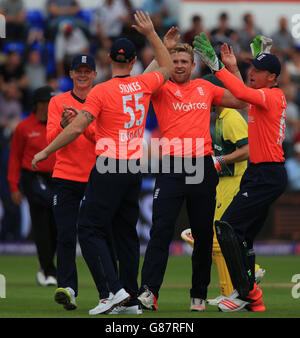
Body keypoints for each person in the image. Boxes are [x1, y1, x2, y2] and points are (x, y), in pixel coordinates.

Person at [31, 10, 173, 315]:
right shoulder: (143, 85)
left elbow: (77, 128)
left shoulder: (101, 91)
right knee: (126, 235)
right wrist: (153, 34)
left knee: (89, 228)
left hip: (109, 166)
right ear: (133, 61)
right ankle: (131, 299)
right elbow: (166, 65)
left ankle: (113, 292)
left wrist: (45, 152)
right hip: (134, 168)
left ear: (110, 60)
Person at [137, 27, 247, 312]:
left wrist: (229, 67)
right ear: (168, 63)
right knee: (160, 230)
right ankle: (149, 291)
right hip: (172, 166)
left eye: (184, 61)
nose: (179, 65)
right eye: (174, 61)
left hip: (201, 166)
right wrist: (163, 46)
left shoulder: (205, 87)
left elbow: (241, 99)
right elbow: (137, 86)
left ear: (193, 65)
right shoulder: (160, 87)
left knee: (202, 235)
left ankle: (198, 294)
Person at [193, 34, 288, 312]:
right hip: (260, 173)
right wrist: (232, 69)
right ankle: (252, 297)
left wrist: (216, 67)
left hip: (267, 174)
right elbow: (244, 92)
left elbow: (244, 94)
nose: (251, 73)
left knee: (228, 228)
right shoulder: (266, 96)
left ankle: (244, 292)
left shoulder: (271, 96)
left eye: (257, 71)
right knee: (242, 236)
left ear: (271, 77)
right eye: (251, 69)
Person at [181, 74, 265, 308]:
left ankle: (251, 273)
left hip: (234, 183)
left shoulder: (230, 118)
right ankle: (229, 289)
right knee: (216, 239)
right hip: (223, 183)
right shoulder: (219, 118)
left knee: (220, 236)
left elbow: (248, 149)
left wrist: (220, 160)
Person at [46, 54, 97, 310]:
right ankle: (68, 288)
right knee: (66, 234)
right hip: (65, 176)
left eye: (87, 71)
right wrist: (66, 126)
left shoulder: (101, 99)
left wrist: (80, 125)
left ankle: (109, 290)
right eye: (79, 70)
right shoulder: (57, 102)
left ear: (94, 75)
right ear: (71, 74)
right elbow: (50, 140)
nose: (83, 75)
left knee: (98, 236)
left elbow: (103, 138)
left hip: (94, 178)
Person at [7, 85, 57, 286]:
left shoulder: (58, 124)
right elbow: (14, 158)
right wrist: (13, 186)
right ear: (36, 104)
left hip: (55, 176)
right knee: (41, 219)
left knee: (55, 224)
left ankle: (45, 266)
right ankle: (49, 270)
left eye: (49, 103)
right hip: (32, 176)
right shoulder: (24, 127)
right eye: (44, 103)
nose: (47, 107)